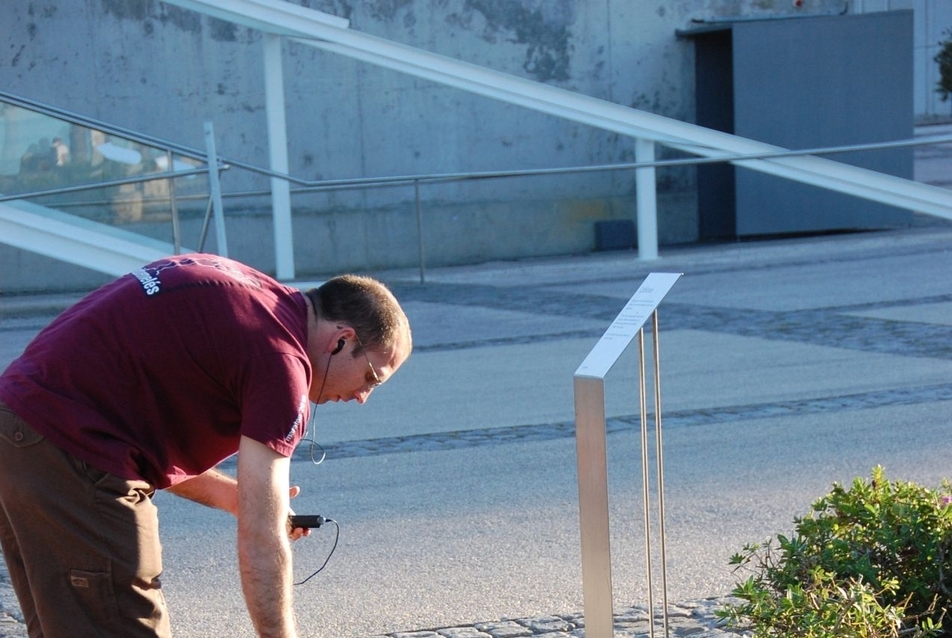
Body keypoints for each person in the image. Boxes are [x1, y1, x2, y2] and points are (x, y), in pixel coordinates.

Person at [0, 253, 413, 638]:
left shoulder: (245, 288)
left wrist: (235, 498)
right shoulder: (282, 365)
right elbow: (261, 538)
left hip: (17, 427)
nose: (363, 396)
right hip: (69, 455)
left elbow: (136, 433)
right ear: (341, 340)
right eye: (371, 377)